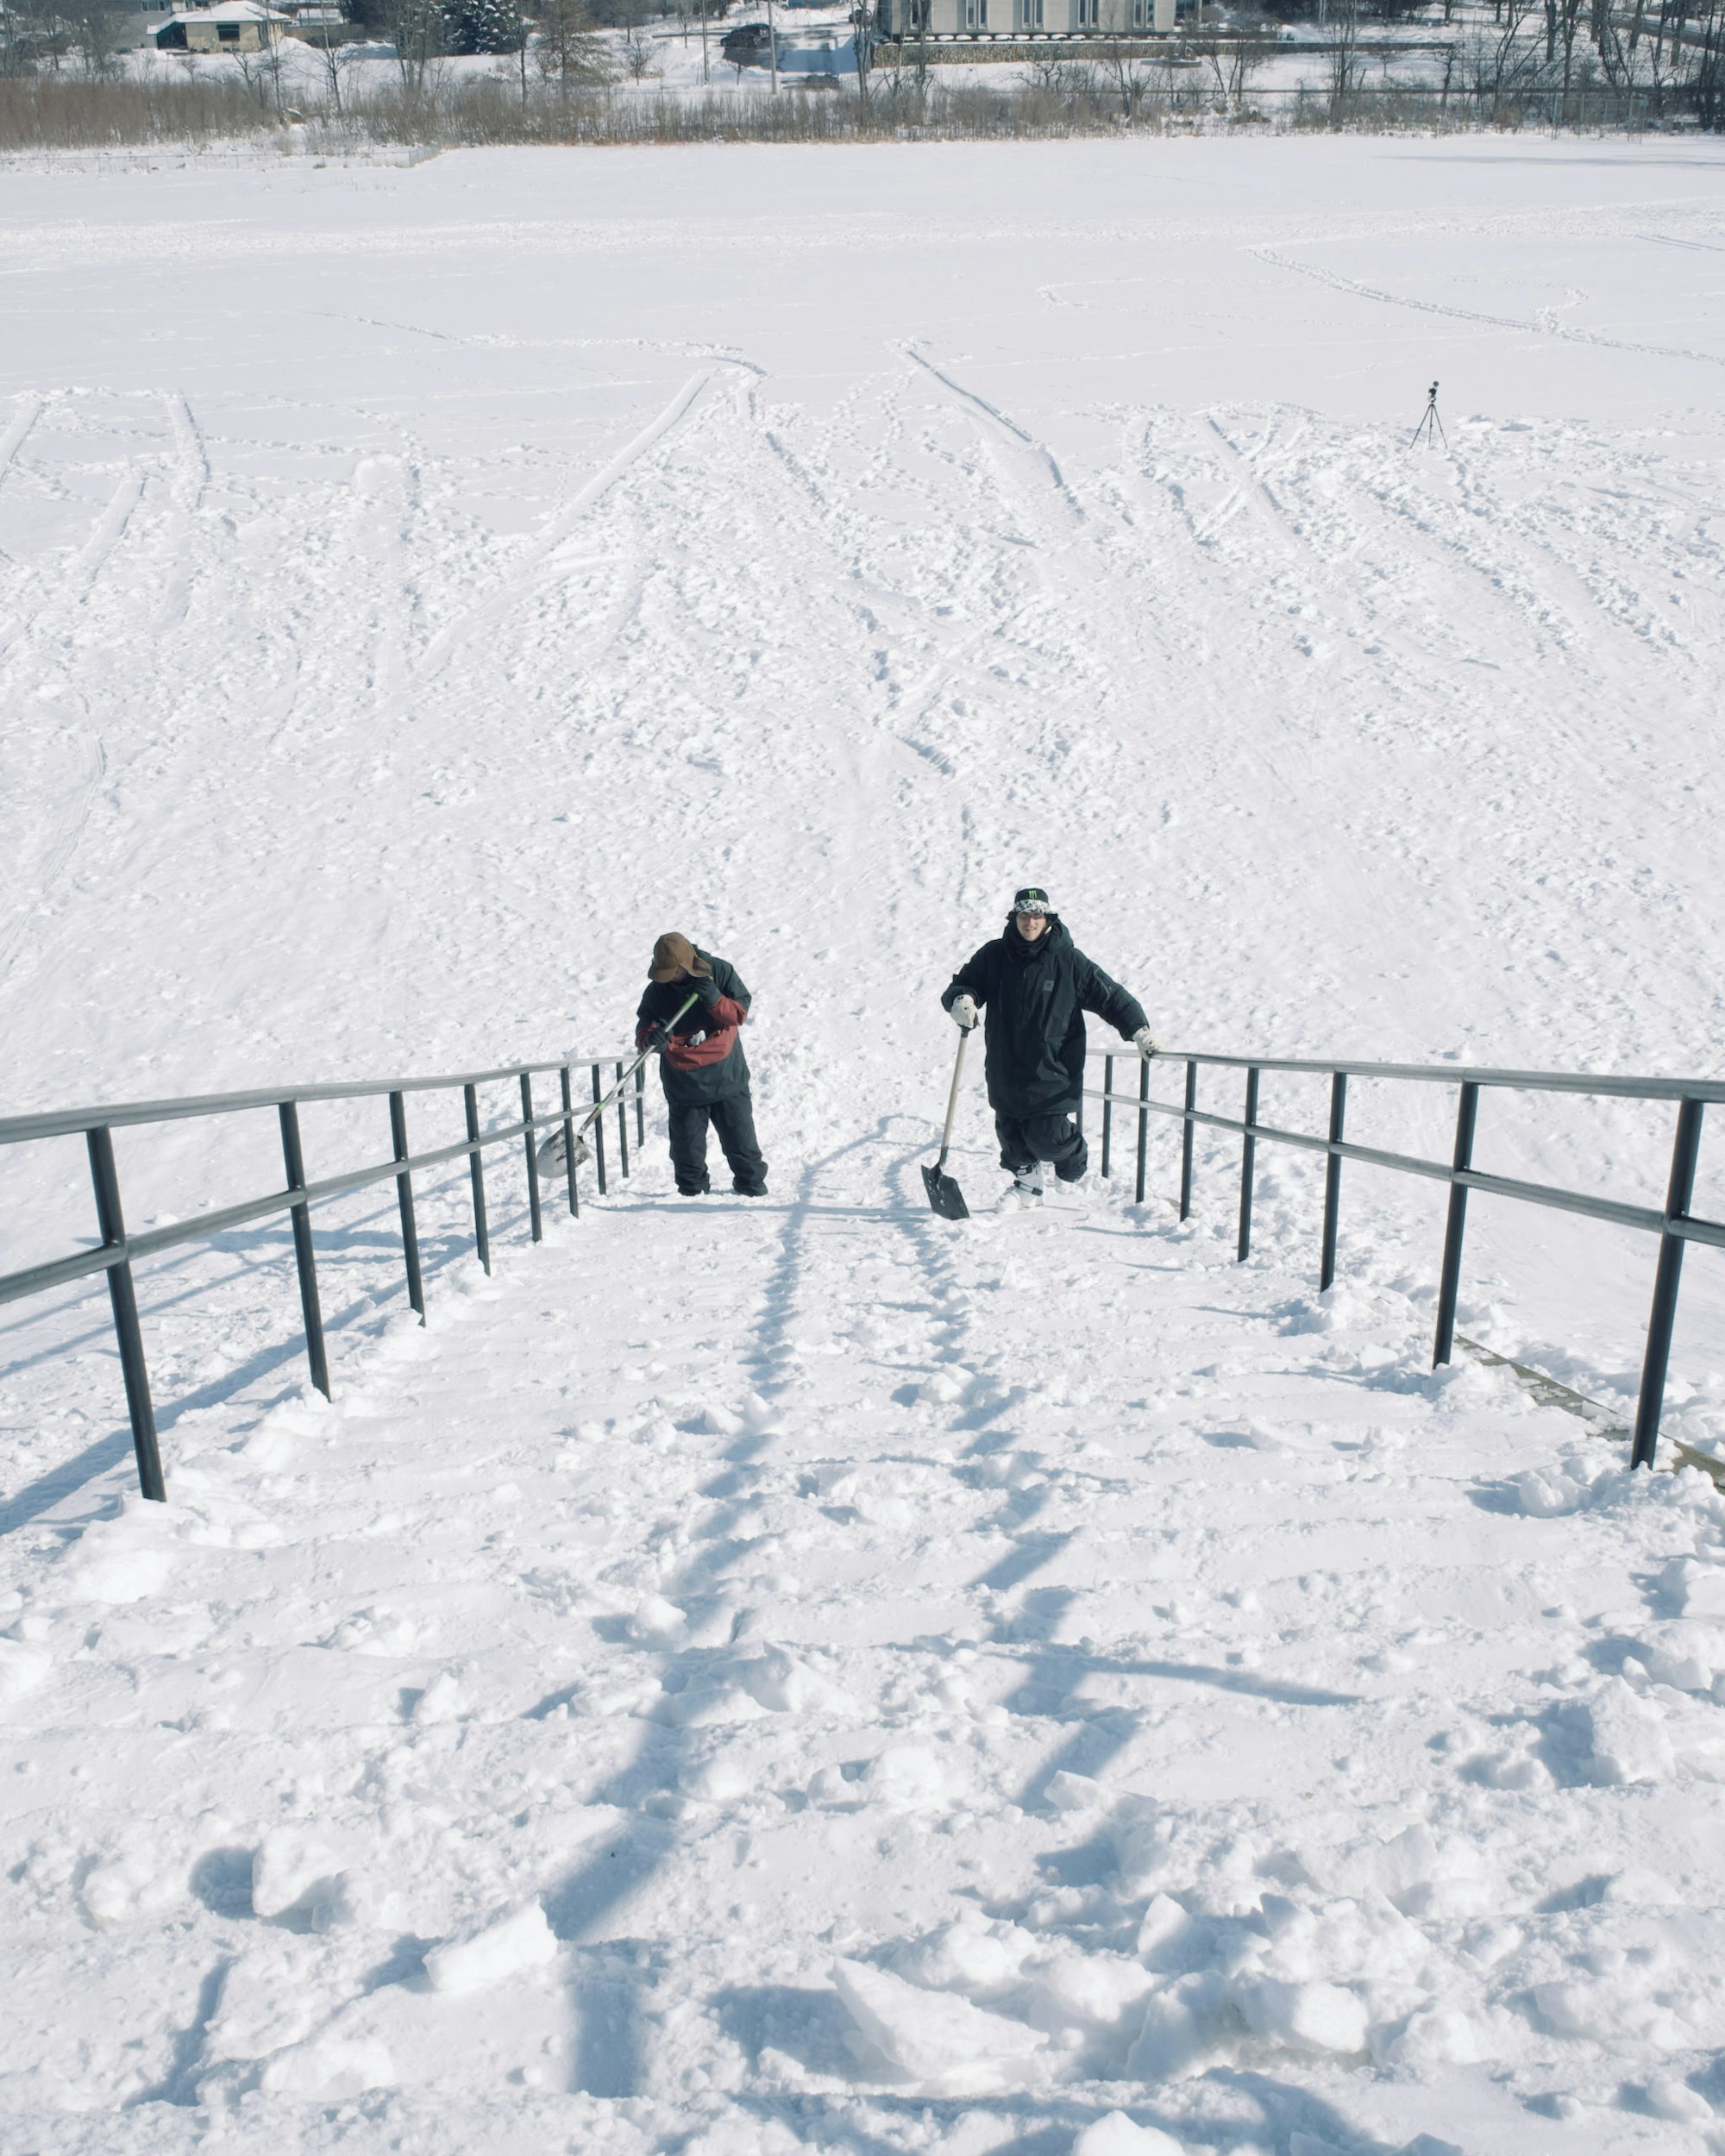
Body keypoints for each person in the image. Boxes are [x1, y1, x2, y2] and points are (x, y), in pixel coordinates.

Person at [940, 886, 1158, 1203]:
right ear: (1014, 918)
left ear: (1048, 919)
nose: (1030, 922)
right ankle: (1028, 1187)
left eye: (1037, 916)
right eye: (1024, 915)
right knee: (1012, 1137)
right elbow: (965, 982)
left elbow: (1110, 997)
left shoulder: (1069, 961)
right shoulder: (994, 955)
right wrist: (962, 998)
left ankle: (1074, 1160)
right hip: (1005, 1066)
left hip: (1052, 1069)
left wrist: (1139, 1029)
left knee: (1048, 1137)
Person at [636, 933, 768, 1199]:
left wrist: (714, 1000)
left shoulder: (719, 972)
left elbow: (739, 1014)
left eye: (671, 972)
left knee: (741, 1143)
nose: (667, 979)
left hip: (728, 1077)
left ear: (685, 964)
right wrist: (652, 1038)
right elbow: (644, 1029)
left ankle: (751, 1190)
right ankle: (691, 1196)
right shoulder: (656, 991)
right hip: (684, 1085)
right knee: (687, 1151)